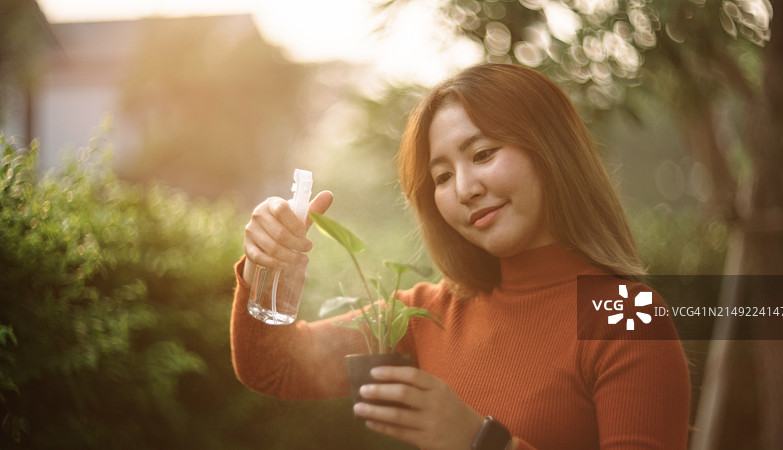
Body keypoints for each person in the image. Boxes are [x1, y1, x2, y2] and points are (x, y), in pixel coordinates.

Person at [231, 63, 690, 450]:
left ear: (550, 150)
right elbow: (276, 366)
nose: (466, 189)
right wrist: (268, 269)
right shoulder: (425, 316)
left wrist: (483, 441)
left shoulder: (628, 317)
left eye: (484, 153)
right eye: (443, 176)